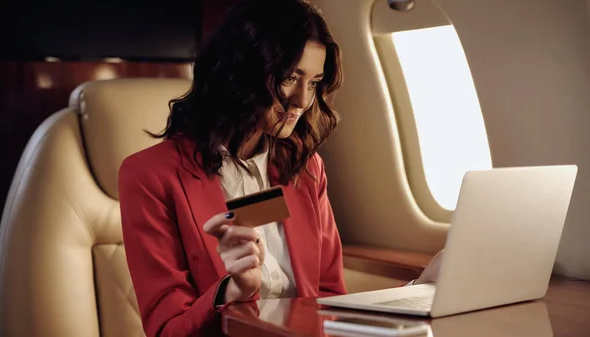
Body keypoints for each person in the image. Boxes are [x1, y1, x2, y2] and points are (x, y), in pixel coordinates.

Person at [118, 0, 441, 336]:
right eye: (290, 77)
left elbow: (329, 299)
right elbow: (168, 330)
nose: (304, 100)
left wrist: (418, 289)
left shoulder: (305, 168)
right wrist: (234, 290)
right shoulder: (150, 176)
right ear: (241, 72)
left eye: (314, 83)